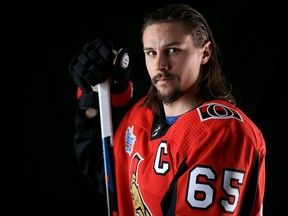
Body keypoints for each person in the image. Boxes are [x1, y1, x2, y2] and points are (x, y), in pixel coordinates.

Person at [69, 4, 266, 216]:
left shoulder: (221, 133)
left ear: (205, 53)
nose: (160, 64)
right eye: (151, 52)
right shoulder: (141, 116)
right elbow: (106, 177)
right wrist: (94, 100)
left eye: (173, 50)